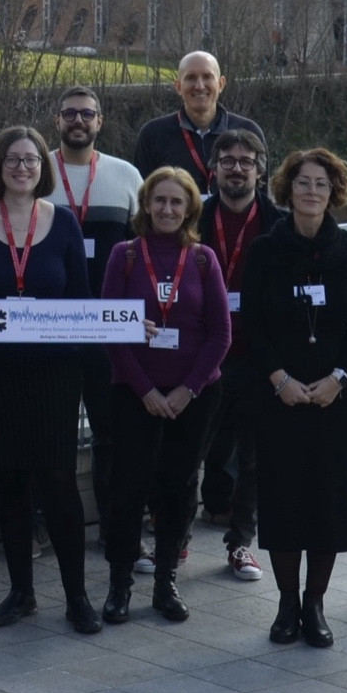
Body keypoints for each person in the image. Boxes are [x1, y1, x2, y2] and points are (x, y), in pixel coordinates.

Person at [0, 126, 100, 634]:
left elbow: (80, 299)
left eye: (31, 160)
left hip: (55, 373)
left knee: (58, 481)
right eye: (13, 159)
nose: (22, 168)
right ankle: (21, 592)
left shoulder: (63, 225)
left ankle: (77, 596)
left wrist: (122, 324)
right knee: (9, 481)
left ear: (43, 167)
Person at [240, 147, 347, 649]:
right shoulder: (265, 250)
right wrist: (279, 379)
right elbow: (252, 322)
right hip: (279, 398)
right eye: (302, 183)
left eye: (321, 184)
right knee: (284, 501)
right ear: (287, 190)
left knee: (328, 503)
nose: (311, 191)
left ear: (332, 192)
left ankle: (315, 604)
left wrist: (340, 377)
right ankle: (286, 602)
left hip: (335, 400)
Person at [98, 167, 231, 626]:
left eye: (177, 202)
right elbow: (112, 332)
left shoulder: (202, 260)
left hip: (193, 396)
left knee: (178, 486)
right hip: (135, 392)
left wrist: (187, 390)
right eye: (160, 201)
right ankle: (119, 584)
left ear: (190, 207)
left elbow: (220, 335)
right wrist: (149, 391)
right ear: (146, 205)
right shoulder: (125, 256)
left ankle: (165, 581)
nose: (168, 209)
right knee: (128, 487)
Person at [50, 87, 144, 566]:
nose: (78, 121)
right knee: (52, 436)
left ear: (101, 121)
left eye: (87, 114)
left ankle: (115, 531)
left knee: (112, 437)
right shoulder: (37, 172)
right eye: (70, 114)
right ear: (57, 120)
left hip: (109, 332)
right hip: (52, 330)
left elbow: (145, 253)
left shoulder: (126, 175)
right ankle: (49, 532)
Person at [193, 128, 281, 583]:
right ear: (213, 169)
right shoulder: (193, 218)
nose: (237, 168)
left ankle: (241, 543)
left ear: (260, 170)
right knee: (191, 451)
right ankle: (176, 539)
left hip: (256, 355)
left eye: (247, 161)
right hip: (200, 355)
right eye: (227, 160)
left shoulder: (277, 223)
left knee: (252, 458)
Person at [132, 51, 266, 195]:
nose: (200, 86)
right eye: (191, 78)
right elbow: (142, 199)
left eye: (207, 77)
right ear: (178, 86)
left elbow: (262, 198)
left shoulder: (249, 132)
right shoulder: (153, 134)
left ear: (221, 84)